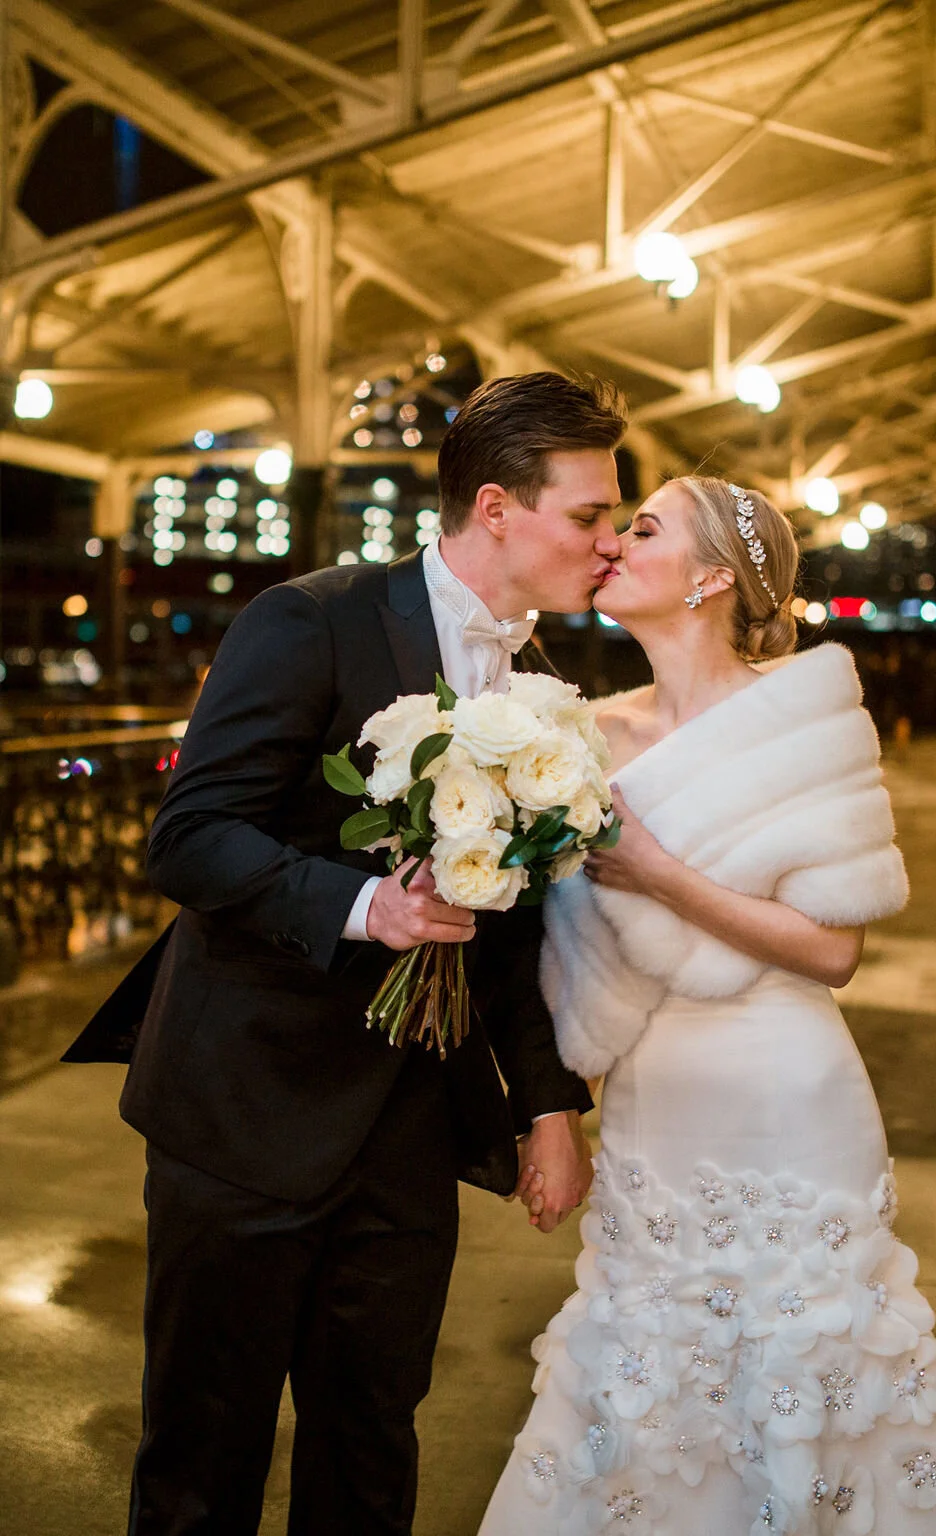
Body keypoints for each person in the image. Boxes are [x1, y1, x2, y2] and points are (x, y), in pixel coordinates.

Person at [63, 370, 628, 1535]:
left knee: (371, 1445)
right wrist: (367, 908)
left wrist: (548, 1109)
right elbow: (190, 838)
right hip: (245, 1110)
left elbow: (515, 931)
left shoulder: (545, 691)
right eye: (589, 514)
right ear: (494, 509)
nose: (608, 542)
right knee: (203, 1455)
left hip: (410, 1127)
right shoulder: (311, 619)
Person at [481, 475, 936, 1534]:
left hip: (785, 1095)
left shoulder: (808, 722)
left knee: (807, 1367)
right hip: (650, 1098)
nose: (613, 545)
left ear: (711, 578)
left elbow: (833, 949)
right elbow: (543, 947)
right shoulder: (577, 736)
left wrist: (659, 873)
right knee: (647, 1363)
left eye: (642, 530)